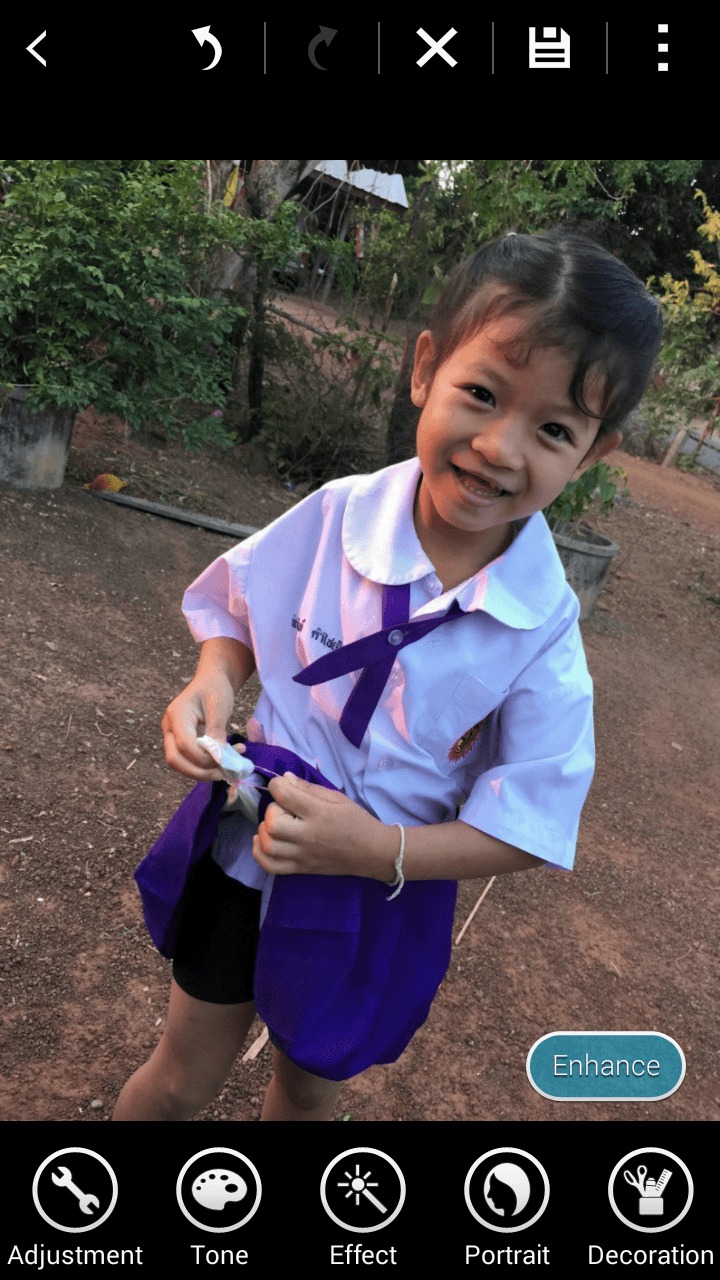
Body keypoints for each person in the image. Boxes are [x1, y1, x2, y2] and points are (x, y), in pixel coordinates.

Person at [113, 229, 662, 1122]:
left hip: (377, 896)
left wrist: (378, 851)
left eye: (554, 429)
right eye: (481, 393)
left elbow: (530, 822)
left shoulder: (543, 627)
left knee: (308, 1092)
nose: (500, 446)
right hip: (249, 847)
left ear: (592, 454)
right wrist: (212, 680)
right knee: (181, 1076)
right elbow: (239, 608)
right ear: (426, 369)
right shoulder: (339, 514)